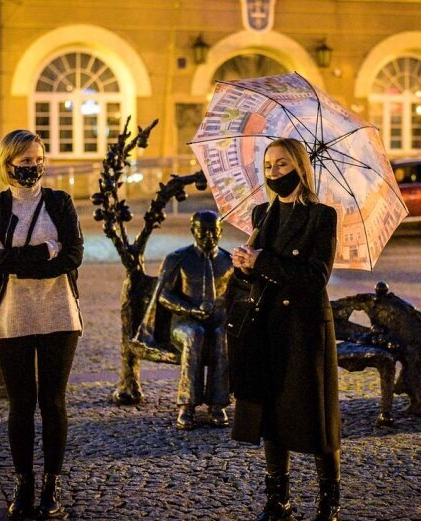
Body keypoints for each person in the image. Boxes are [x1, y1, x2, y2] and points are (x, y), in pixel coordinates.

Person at [229, 138, 342, 521]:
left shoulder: (321, 215)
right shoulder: (262, 214)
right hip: (267, 326)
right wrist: (245, 266)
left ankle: (329, 502)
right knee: (272, 414)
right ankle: (278, 500)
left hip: (306, 328)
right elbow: (257, 276)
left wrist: (262, 262)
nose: (273, 172)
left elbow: (315, 277)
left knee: (317, 416)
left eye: (281, 164)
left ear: (299, 167)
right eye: (269, 166)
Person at [0, 129, 83, 519]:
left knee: (53, 402)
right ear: (8, 164)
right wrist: (44, 252)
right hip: (12, 314)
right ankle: (23, 484)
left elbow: (73, 255)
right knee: (21, 404)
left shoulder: (60, 201)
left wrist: (21, 259)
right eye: (25, 161)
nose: (33, 167)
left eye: (38, 159)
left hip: (59, 313)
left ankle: (51, 485)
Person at [154, 210, 233, 429]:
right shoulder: (178, 258)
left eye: (214, 232)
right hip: (184, 323)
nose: (209, 237)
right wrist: (190, 309)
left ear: (221, 231)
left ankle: (218, 404)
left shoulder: (229, 261)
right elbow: (164, 295)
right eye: (203, 232)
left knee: (222, 336)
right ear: (193, 231)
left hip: (217, 322)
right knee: (195, 334)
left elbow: (236, 295)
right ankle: (186, 405)